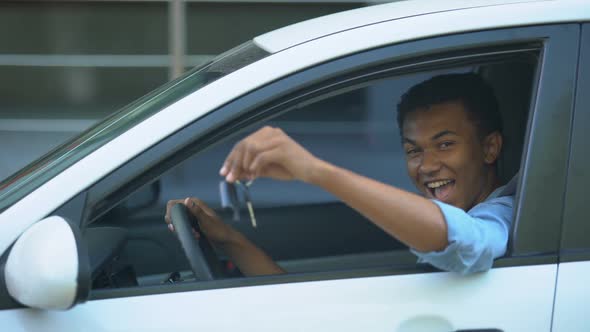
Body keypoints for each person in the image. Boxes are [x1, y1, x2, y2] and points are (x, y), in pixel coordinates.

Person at [165, 72, 514, 276]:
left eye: (445, 144)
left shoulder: (509, 213)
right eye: (413, 150)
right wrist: (229, 240)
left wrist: (315, 171)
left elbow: (466, 241)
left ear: (490, 148)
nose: (426, 165)